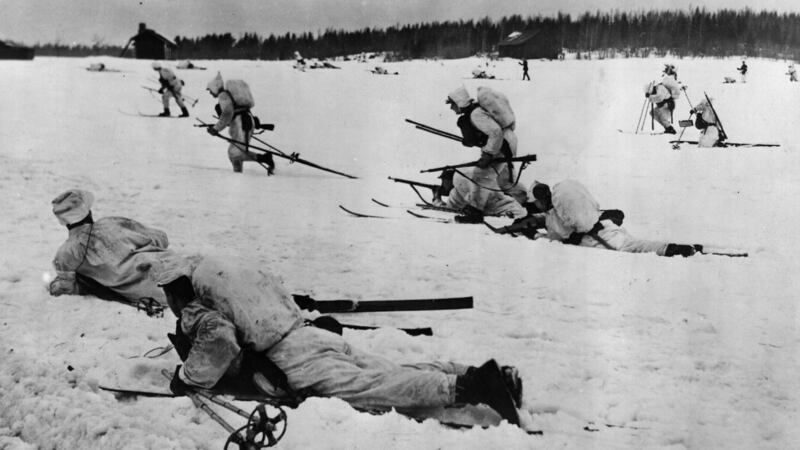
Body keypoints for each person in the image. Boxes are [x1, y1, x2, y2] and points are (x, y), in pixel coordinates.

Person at [147, 253, 523, 425]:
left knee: (376, 389)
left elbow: (219, 340)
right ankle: (477, 374)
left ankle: (474, 386)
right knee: (385, 372)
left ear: (173, 289)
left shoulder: (196, 306)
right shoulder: (229, 276)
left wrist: (186, 379)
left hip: (292, 359)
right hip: (311, 335)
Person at [498, 180, 700, 257]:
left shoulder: (557, 215)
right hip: (605, 224)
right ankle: (675, 247)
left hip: (598, 240)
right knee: (635, 242)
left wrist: (533, 235)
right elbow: (549, 216)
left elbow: (556, 238)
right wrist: (531, 220)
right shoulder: (560, 203)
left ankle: (673, 249)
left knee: (634, 247)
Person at [48, 189, 173, 305]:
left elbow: (64, 288)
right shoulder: (113, 222)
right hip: (172, 269)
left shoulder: (66, 253)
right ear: (88, 211)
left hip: (157, 296)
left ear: (63, 222)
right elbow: (162, 238)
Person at [445, 86, 528, 223]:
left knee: (480, 176)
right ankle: (519, 203)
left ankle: (475, 213)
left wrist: (488, 154)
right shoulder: (475, 112)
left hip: (502, 145)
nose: (451, 108)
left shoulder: (475, 114)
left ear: (459, 102)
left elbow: (495, 132)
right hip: (506, 143)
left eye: (452, 104)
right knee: (501, 179)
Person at [205, 72, 275, 174]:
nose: (211, 94)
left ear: (215, 87)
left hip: (241, 123)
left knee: (235, 153)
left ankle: (263, 159)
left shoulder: (223, 95)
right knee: (236, 152)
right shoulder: (226, 95)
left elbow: (227, 113)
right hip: (243, 121)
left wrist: (216, 128)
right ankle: (238, 174)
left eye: (210, 91)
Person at [644, 64, 684, 134]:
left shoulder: (660, 88)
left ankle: (670, 129)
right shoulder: (656, 89)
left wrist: (650, 97)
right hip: (663, 105)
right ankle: (667, 127)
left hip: (668, 105)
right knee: (653, 113)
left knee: (662, 117)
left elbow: (659, 98)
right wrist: (650, 97)